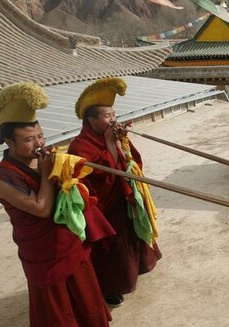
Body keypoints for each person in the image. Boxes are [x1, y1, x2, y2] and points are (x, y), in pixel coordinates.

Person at [0, 83, 112, 327]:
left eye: (41, 136)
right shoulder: (2, 178)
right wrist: (47, 174)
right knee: (54, 299)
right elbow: (41, 209)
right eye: (29, 139)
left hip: (66, 238)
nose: (39, 144)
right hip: (41, 248)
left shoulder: (41, 160)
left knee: (80, 285)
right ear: (8, 141)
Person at [68, 78, 162, 307]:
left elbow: (129, 163)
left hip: (123, 197)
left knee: (131, 237)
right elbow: (98, 177)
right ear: (91, 120)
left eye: (113, 114)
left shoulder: (111, 136)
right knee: (112, 249)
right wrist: (110, 144)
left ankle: (137, 269)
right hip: (103, 207)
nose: (113, 120)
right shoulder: (80, 145)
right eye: (107, 116)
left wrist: (121, 144)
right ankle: (110, 288)